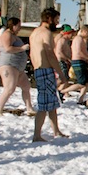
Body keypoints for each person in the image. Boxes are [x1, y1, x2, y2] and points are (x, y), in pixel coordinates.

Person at [29, 7, 68, 142]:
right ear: (50, 19)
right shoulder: (45, 33)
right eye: (56, 20)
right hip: (45, 70)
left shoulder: (34, 33)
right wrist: (61, 73)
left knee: (52, 103)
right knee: (44, 105)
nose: (57, 23)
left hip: (38, 70)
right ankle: (37, 135)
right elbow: (50, 54)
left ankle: (56, 131)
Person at [0, 17, 35, 117]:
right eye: (19, 26)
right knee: (9, 88)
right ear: (14, 25)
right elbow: (8, 49)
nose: (20, 28)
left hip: (17, 67)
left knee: (26, 86)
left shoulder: (13, 35)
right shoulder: (6, 34)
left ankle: (29, 108)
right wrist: (22, 48)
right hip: (8, 65)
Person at [67, 25, 88, 105]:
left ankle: (80, 100)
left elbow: (84, 52)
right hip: (77, 61)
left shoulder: (83, 40)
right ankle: (63, 91)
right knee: (81, 83)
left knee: (87, 82)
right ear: (84, 31)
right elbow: (78, 53)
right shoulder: (78, 39)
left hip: (81, 61)